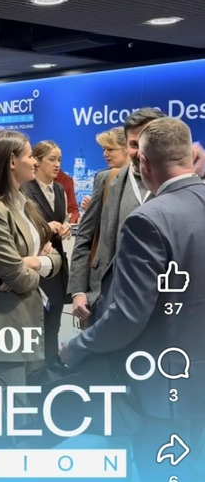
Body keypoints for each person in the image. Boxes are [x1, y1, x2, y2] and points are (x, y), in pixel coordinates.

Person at [61, 117, 205, 482]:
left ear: (142, 162)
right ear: (189, 154)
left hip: (165, 388)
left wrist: (78, 348)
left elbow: (127, 315)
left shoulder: (149, 219)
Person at [0, 130, 62, 447]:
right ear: (11, 161)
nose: (34, 162)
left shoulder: (24, 205)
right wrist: (33, 266)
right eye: (30, 155)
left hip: (26, 324)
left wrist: (32, 262)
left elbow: (55, 258)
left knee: (22, 424)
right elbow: (18, 278)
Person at [67, 108, 167, 324]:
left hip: (159, 304)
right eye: (134, 143)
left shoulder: (174, 183)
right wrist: (78, 291)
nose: (140, 151)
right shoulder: (106, 180)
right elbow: (85, 237)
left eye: (147, 142)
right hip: (104, 298)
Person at [22, 140, 71, 365]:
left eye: (59, 159)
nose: (57, 164)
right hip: (36, 263)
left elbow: (65, 217)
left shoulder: (59, 189)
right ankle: (37, 369)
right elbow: (21, 226)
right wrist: (44, 227)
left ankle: (52, 365)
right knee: (37, 323)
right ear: (38, 161)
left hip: (56, 263)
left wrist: (66, 226)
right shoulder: (25, 189)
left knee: (54, 321)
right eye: (52, 159)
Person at [80, 126, 129, 211]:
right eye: (103, 150)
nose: (105, 154)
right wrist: (92, 209)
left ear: (127, 148)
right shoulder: (102, 177)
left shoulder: (144, 175)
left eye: (110, 149)